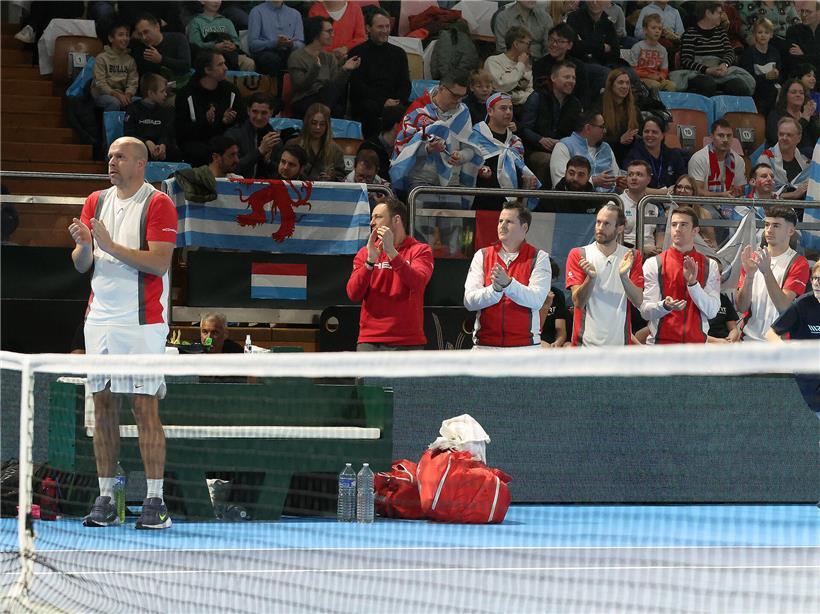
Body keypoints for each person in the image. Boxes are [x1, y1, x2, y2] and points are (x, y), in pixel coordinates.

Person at [68, 136, 177, 529]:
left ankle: (154, 501)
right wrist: (83, 246)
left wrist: (110, 245)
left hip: (142, 321)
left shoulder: (158, 203)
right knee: (102, 407)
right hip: (99, 320)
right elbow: (83, 265)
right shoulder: (95, 201)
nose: (111, 161)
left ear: (140, 165)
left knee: (143, 407)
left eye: (120, 157)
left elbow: (159, 263)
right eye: (110, 155)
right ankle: (104, 497)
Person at [346, 197, 434, 350]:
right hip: (370, 340)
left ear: (396, 220)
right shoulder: (366, 252)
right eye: (372, 217)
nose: (372, 222)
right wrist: (369, 262)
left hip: (408, 342)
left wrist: (392, 253)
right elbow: (353, 294)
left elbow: (418, 283)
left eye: (378, 217)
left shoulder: (420, 250)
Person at [463, 201, 550, 349]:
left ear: (524, 227)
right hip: (485, 346)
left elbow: (537, 300)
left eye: (509, 222)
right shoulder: (482, 255)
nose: (502, 226)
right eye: (500, 221)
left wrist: (509, 285)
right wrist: (494, 290)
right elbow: (469, 302)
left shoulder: (539, 257)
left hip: (524, 348)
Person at [565, 202, 645, 346]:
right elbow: (578, 302)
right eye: (598, 222)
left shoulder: (632, 256)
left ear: (620, 228)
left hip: (621, 346)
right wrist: (591, 278)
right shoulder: (579, 254)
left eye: (607, 224)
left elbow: (638, 301)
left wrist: (623, 277)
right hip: (584, 346)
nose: (600, 228)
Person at [639, 206, 721, 344]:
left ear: (695, 231)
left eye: (683, 224)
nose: (677, 228)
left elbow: (712, 311)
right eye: (674, 224)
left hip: (697, 349)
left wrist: (693, 285)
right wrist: (664, 306)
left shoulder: (710, 265)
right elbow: (645, 312)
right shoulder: (653, 263)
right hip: (661, 347)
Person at [389, 72, 471, 197]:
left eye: (462, 96)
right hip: (421, 181)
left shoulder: (463, 113)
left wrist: (461, 156)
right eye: (455, 95)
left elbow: (471, 149)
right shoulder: (418, 111)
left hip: (452, 182)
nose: (458, 100)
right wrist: (427, 148)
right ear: (441, 88)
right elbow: (402, 147)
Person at [736, 206, 810, 341]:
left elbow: (784, 307)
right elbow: (741, 307)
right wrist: (750, 276)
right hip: (748, 339)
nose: (769, 230)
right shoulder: (751, 259)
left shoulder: (799, 263)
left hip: (779, 343)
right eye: (767, 225)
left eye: (776, 226)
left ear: (791, 231)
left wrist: (766, 272)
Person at [467, 93, 537, 211]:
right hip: (482, 205)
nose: (508, 112)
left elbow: (521, 173)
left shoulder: (516, 142)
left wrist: (527, 182)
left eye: (510, 108)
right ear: (490, 111)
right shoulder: (475, 137)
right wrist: (478, 170)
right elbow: (467, 168)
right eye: (503, 108)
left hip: (511, 208)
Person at [348, 8, 410, 139]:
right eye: (380, 27)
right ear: (368, 28)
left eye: (387, 26)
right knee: (368, 108)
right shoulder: (357, 52)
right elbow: (357, 86)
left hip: (394, 102)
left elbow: (405, 84)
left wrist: (397, 101)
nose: (385, 31)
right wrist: (383, 101)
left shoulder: (399, 53)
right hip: (369, 102)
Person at [520, 60, 582, 188]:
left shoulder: (575, 103)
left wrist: (561, 143)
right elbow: (524, 129)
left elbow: (577, 133)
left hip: (564, 148)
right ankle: (544, 201)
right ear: (553, 78)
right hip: (535, 150)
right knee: (547, 161)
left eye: (573, 78)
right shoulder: (537, 97)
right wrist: (540, 139)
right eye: (567, 77)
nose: (571, 81)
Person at [175, 50, 243, 167]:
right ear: (207, 70)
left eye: (224, 63)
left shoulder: (231, 91)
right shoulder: (186, 94)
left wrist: (225, 122)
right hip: (196, 145)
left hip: (225, 142)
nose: (226, 68)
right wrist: (205, 121)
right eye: (220, 64)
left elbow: (241, 120)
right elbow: (181, 132)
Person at [287, 15, 361, 120]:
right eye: (329, 32)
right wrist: (315, 69)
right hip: (305, 99)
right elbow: (300, 86)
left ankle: (325, 118)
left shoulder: (329, 57)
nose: (333, 35)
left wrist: (345, 69)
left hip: (326, 97)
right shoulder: (297, 56)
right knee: (331, 100)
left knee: (336, 105)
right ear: (316, 33)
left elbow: (335, 86)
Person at [674, 2, 755, 97]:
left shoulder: (721, 33)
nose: (722, 16)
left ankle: (731, 111)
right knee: (708, 84)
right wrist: (707, 70)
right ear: (708, 13)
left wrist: (724, 64)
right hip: (698, 73)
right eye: (719, 13)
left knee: (739, 85)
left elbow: (730, 53)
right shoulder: (690, 34)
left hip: (721, 71)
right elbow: (686, 61)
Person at [549, 111, 620, 193]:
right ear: (588, 128)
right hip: (577, 201)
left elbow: (616, 177)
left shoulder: (606, 147)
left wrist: (620, 185)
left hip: (610, 202)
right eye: (602, 127)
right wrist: (593, 181)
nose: (605, 131)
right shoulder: (563, 146)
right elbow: (559, 183)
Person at [124, 74, 181, 162]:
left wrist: (163, 145)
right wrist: (146, 142)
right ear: (150, 93)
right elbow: (129, 134)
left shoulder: (167, 111)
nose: (165, 94)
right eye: (162, 91)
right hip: (139, 147)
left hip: (160, 149)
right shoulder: (133, 109)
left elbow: (168, 133)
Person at [622, 115, 688, 191]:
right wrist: (663, 193)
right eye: (646, 131)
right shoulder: (633, 156)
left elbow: (683, 182)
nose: (650, 135)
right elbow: (631, 186)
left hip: (671, 201)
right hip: (642, 201)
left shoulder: (674, 155)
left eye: (654, 132)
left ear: (662, 135)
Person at [225, 92, 281, 179]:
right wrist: (260, 151)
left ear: (271, 112)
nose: (259, 117)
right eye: (255, 112)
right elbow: (230, 169)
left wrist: (268, 162)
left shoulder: (275, 139)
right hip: (237, 188)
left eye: (264, 113)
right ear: (248, 111)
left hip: (266, 189)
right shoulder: (233, 134)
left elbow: (280, 173)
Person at [532, 23, 590, 106]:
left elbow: (584, 96)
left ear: (569, 45)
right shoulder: (539, 65)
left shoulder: (578, 66)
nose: (554, 44)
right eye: (551, 40)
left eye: (560, 41)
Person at [187, 0, 254, 71]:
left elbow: (237, 42)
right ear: (202, 1)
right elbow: (195, 44)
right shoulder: (195, 22)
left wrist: (233, 45)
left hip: (229, 55)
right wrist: (213, 46)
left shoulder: (226, 21)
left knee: (248, 63)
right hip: (208, 56)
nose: (216, 2)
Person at [131, 13, 192, 92]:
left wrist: (161, 59)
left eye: (146, 32)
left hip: (180, 84)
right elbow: (145, 79)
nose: (144, 37)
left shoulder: (178, 38)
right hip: (157, 91)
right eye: (140, 34)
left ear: (157, 27)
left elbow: (186, 66)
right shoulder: (140, 49)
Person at [687, 118, 746, 198]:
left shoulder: (738, 160)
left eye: (729, 136)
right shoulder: (699, 158)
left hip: (731, 204)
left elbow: (740, 190)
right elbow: (697, 191)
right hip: (704, 205)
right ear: (711, 136)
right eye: (721, 135)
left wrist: (737, 191)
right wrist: (721, 195)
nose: (725, 140)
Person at [286, 102, 345, 181]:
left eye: (322, 124)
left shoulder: (336, 150)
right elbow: (284, 172)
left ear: (327, 126)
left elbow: (341, 177)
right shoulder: (293, 145)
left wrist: (333, 177)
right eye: (314, 123)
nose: (318, 127)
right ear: (307, 123)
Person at [174, 135, 241, 202]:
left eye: (236, 155)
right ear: (216, 157)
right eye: (232, 155)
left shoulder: (239, 182)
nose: (237, 160)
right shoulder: (192, 181)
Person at [91, 19, 138, 112]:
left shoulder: (130, 60)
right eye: (121, 35)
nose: (125, 38)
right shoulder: (101, 58)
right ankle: (110, 127)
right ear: (111, 38)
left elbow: (133, 82)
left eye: (127, 35)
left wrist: (128, 94)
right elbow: (100, 83)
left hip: (123, 95)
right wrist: (116, 94)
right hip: (103, 95)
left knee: (140, 102)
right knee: (114, 102)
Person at [758, 117, 810, 200]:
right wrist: (793, 195)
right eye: (781, 134)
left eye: (789, 135)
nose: (784, 138)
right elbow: (761, 194)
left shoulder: (806, 163)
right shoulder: (765, 159)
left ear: (799, 138)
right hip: (773, 211)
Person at [766, 260, 820, 341]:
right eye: (814, 278)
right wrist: (786, 350)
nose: (816, 283)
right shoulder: (801, 304)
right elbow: (770, 334)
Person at [739, 17, 782, 117]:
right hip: (755, 90)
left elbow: (780, 73)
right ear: (754, 34)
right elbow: (748, 79)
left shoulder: (775, 53)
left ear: (771, 35)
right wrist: (766, 77)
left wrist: (777, 75)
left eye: (766, 32)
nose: (763, 35)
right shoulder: (748, 54)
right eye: (760, 32)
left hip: (772, 88)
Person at [247, 0, 304, 76]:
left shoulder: (295, 14)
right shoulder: (257, 11)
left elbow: (301, 44)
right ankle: (274, 87)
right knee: (271, 59)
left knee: (302, 59)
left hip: (289, 51)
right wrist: (274, 43)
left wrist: (291, 43)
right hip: (265, 52)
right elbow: (252, 44)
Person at [765, 79, 820, 157]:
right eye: (793, 92)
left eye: (801, 93)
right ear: (785, 95)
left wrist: (813, 118)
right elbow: (779, 140)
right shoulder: (776, 115)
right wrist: (804, 120)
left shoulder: (808, 115)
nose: (798, 95)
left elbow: (817, 139)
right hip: (785, 158)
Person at [484, 26, 535, 109]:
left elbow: (530, 93)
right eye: (528, 44)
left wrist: (511, 95)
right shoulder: (493, 61)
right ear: (516, 44)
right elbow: (502, 85)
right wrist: (520, 64)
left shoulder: (527, 64)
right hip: (498, 107)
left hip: (522, 107)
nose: (530, 48)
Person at [620, 160, 662, 255]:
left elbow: (661, 237)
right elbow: (610, 239)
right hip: (623, 255)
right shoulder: (616, 204)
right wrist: (640, 249)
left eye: (639, 175)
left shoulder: (656, 208)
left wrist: (659, 252)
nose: (634, 178)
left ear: (648, 179)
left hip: (651, 256)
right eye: (630, 174)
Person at [599, 68, 641, 163]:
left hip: (631, 159)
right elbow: (594, 140)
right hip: (605, 158)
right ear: (611, 85)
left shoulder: (635, 110)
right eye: (620, 82)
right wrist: (619, 141)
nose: (625, 86)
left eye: (627, 83)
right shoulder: (599, 108)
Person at [630, 12, 676, 94]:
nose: (657, 31)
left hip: (656, 78)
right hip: (640, 78)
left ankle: (666, 105)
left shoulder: (662, 50)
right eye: (653, 28)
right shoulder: (637, 47)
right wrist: (648, 76)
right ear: (645, 30)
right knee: (655, 85)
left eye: (659, 28)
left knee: (672, 85)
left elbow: (664, 70)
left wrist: (661, 76)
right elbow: (632, 70)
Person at [783, 0, 820, 76]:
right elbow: (793, 60)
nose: (803, 14)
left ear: (818, 13)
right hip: (801, 76)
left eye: (808, 12)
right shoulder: (793, 31)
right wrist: (812, 57)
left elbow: (801, 58)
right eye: (802, 11)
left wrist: (803, 55)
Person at [539, 259, 569, 348]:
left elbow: (561, 330)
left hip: (551, 339)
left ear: (553, 279)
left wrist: (558, 342)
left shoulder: (557, 295)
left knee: (569, 347)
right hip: (535, 338)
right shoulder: (528, 294)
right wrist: (545, 306)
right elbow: (536, 329)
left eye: (548, 277)